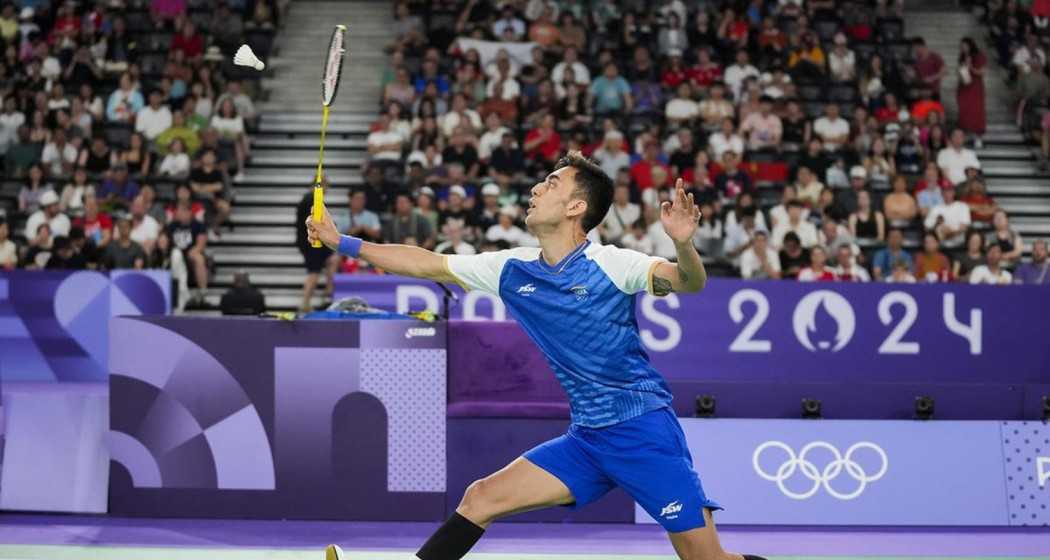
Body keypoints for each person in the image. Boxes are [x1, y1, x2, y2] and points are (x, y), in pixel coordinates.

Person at [309, 153, 768, 560]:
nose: (535, 188)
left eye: (551, 183)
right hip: (587, 440)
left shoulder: (613, 264)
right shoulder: (512, 269)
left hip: (643, 432)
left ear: (576, 207)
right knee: (481, 498)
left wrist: (684, 245)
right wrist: (341, 242)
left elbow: (689, 282)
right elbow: (426, 262)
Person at [956, 38, 986, 148]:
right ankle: (967, 135)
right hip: (964, 86)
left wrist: (971, 68)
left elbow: (982, 72)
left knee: (976, 112)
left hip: (975, 88)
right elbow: (960, 70)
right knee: (964, 111)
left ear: (970, 45)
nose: (963, 48)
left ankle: (978, 137)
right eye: (961, 46)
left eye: (965, 45)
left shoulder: (979, 55)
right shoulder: (962, 56)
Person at [923, 183, 970, 249]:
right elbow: (927, 227)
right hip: (940, 246)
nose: (947, 194)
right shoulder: (935, 208)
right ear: (941, 193)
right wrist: (937, 224)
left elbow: (964, 227)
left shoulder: (962, 206)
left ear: (954, 192)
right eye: (944, 191)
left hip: (959, 245)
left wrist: (949, 233)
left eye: (949, 191)